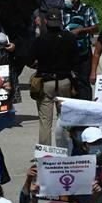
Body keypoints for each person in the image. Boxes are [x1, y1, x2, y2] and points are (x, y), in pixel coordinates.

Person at [29, 8, 78, 144]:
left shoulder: (40, 40)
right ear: (61, 21)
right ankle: (66, 150)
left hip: (46, 82)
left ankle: (45, 155)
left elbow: (29, 59)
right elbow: (76, 60)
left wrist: (38, 65)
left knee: (45, 122)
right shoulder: (69, 38)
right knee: (65, 119)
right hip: (65, 82)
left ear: (46, 21)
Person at [63, 0, 99, 100]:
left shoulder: (88, 10)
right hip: (68, 53)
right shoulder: (63, 11)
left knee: (84, 81)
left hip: (84, 53)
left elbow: (95, 28)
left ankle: (87, 105)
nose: (65, 1)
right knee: (70, 81)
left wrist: (81, 31)